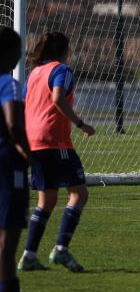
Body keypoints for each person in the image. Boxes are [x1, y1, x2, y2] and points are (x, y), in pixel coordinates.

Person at [17, 32, 95, 272]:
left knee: (47, 200)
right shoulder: (61, 70)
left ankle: (29, 255)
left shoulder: (34, 74)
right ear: (65, 50)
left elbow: (25, 103)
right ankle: (61, 249)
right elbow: (58, 97)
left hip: (34, 140)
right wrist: (81, 124)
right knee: (79, 193)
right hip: (54, 140)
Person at [0, 26, 31, 292]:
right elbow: (13, 124)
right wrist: (27, 153)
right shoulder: (8, 83)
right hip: (7, 166)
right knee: (7, 244)